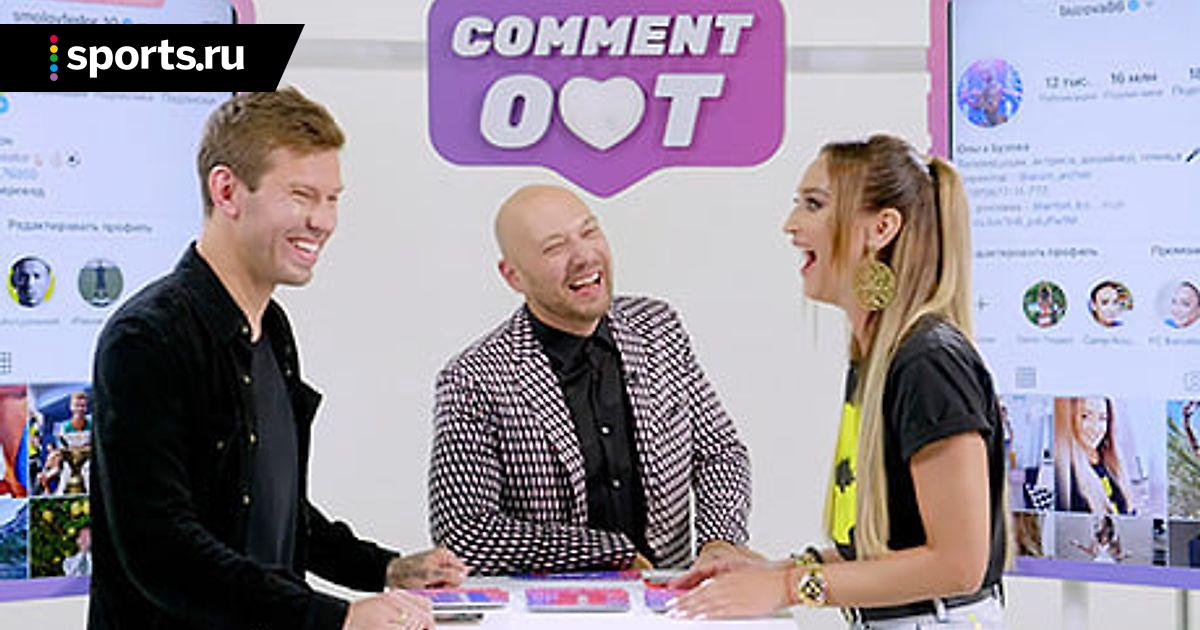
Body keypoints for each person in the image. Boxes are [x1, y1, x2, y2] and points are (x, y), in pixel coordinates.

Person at [89, 88, 466, 630]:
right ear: (226, 191)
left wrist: (383, 569)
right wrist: (335, 618)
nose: (323, 221)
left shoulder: (274, 331)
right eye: (301, 195)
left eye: (332, 199)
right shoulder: (147, 338)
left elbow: (275, 509)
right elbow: (162, 551)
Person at [669, 135, 1008, 628]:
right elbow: (891, 545)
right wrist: (779, 570)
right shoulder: (882, 355)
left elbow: (957, 565)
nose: (791, 224)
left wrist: (788, 588)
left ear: (881, 228)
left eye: (814, 204)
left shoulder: (928, 362)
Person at [428, 184, 753, 575]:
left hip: (673, 598)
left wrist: (720, 542)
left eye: (589, 232)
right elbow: (464, 532)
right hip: (547, 604)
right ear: (513, 276)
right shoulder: (473, 378)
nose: (584, 257)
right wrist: (610, 554)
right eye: (554, 247)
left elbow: (719, 452)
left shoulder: (658, 328)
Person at [1054, 396, 1134, 515]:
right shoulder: (1068, 474)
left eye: (1102, 418)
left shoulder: (1110, 461)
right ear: (1071, 418)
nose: (1095, 428)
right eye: (1085, 416)